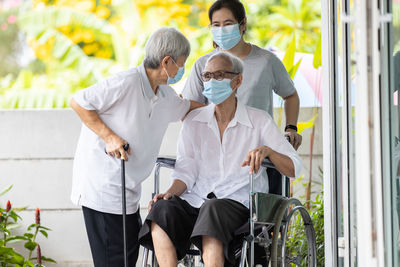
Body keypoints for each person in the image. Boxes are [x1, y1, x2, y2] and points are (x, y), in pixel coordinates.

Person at [138, 52, 301, 267]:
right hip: (197, 201)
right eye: (207, 76)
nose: (212, 81)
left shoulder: (259, 120)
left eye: (219, 75)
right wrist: (170, 193)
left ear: (237, 80)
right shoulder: (194, 121)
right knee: (161, 210)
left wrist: (268, 151)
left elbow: (294, 167)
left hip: (238, 205)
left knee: (212, 209)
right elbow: (186, 170)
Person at [70, 27, 203, 267]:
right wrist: (109, 136)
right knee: (114, 261)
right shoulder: (126, 82)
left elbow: (187, 106)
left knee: (129, 257)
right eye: (181, 64)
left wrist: (223, 108)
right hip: (103, 188)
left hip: (129, 193)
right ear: (167, 61)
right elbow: (79, 101)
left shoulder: (165, 95)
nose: (181, 69)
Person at [182, 0, 302, 150]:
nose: (221, 30)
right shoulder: (203, 64)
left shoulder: (266, 61)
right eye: (216, 25)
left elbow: (290, 95)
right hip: (217, 149)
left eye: (227, 24)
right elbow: (188, 108)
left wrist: (291, 128)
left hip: (258, 150)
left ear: (243, 23)